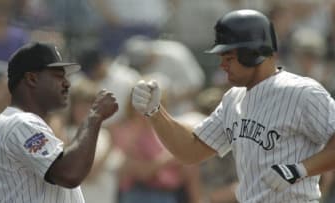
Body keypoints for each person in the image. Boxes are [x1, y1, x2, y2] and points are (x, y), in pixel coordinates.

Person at [131, 9, 335, 203]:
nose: (222, 65)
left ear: (253, 54)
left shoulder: (302, 92)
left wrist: (301, 169)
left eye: (229, 58)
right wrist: (155, 112)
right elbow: (190, 151)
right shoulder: (233, 99)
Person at [0, 42, 118, 203]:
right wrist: (95, 116)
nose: (67, 83)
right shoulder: (20, 122)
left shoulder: (14, 120)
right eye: (58, 76)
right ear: (32, 78)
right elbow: (69, 174)